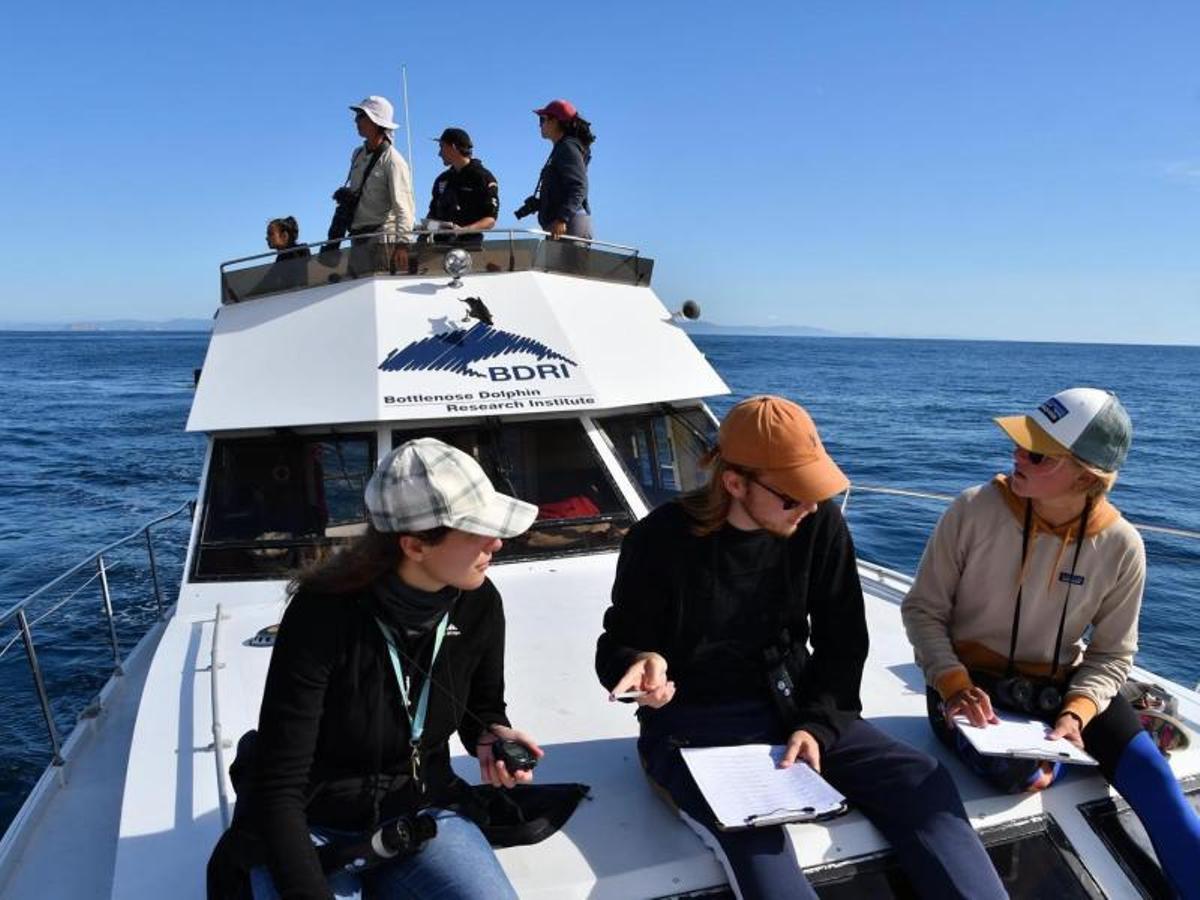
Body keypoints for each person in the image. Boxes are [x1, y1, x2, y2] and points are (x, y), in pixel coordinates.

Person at [595, 395, 1007, 900]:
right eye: (793, 496)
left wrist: (818, 724)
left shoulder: (819, 524)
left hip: (796, 707)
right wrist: (641, 663)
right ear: (734, 483)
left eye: (815, 491)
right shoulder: (659, 540)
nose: (809, 506)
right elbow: (620, 643)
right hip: (695, 725)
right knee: (756, 842)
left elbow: (843, 641)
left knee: (920, 780)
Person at [902, 387, 1200, 898]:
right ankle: (1071, 752)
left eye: (1036, 453)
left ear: (1086, 475)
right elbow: (923, 611)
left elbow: (1112, 653)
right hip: (966, 688)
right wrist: (951, 683)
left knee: (1153, 776)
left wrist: (1078, 712)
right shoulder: (973, 509)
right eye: (1019, 442)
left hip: (1058, 691)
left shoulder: (1122, 544)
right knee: (1023, 776)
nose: (1016, 455)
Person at [246, 437, 543, 899]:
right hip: (315, 825)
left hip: (423, 815)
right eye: (477, 530)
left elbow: (480, 709)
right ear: (414, 545)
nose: (497, 542)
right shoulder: (321, 615)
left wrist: (493, 734)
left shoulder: (479, 603)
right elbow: (278, 785)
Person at [339, 96, 415, 274]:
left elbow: (404, 207)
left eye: (361, 116)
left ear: (376, 122)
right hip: (358, 238)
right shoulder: (357, 154)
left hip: (382, 242)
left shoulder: (394, 161)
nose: (356, 120)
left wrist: (402, 244)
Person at [521, 99, 594, 240]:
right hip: (562, 226)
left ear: (555, 122)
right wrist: (541, 204)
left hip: (568, 225)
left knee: (566, 264)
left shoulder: (567, 148)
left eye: (543, 119)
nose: (540, 125)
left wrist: (562, 219)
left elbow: (579, 186)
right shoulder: (562, 147)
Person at [426, 127, 499, 247]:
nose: (439, 153)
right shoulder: (442, 180)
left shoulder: (483, 178)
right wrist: (426, 228)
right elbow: (432, 215)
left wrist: (462, 230)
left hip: (470, 248)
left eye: (441, 147)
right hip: (439, 248)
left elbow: (490, 220)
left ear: (453, 147)